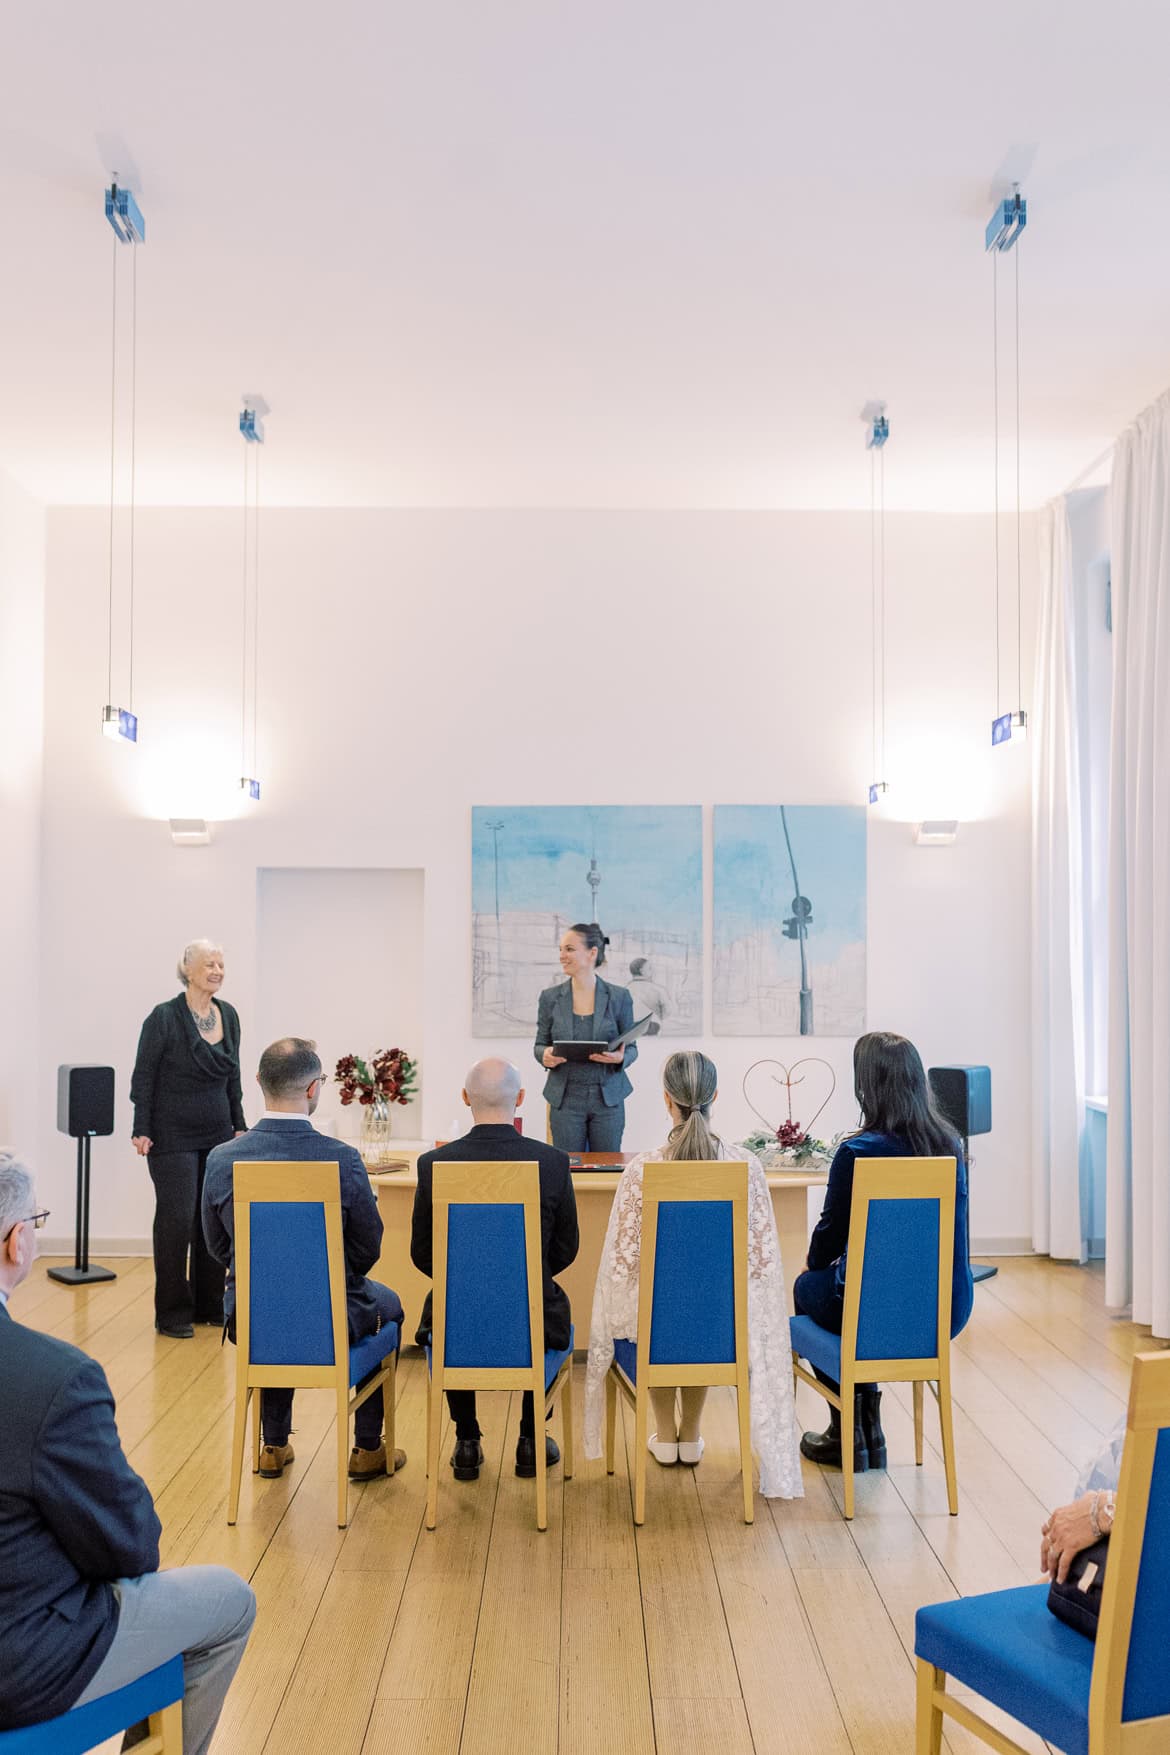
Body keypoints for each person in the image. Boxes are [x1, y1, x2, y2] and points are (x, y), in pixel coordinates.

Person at [0, 1151, 255, 1749]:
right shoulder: (54, 1379)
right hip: (19, 1664)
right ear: (16, 1243)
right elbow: (129, 1544)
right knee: (228, 1602)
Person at [584, 1051, 803, 1499]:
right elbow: (761, 1266)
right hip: (720, 1334)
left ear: (667, 1100)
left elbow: (620, 1271)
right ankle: (692, 1430)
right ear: (715, 1095)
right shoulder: (746, 1168)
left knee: (654, 1309)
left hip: (658, 1335)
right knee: (708, 1305)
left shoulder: (642, 1170)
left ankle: (666, 1436)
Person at [202, 1038, 406, 1483]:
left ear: (258, 1082)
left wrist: (270, 1274)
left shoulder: (222, 1159)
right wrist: (326, 1277)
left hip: (250, 1316)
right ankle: (368, 1448)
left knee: (272, 1305)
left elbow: (218, 1246)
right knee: (389, 1306)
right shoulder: (342, 1159)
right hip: (332, 1311)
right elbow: (367, 1247)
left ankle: (272, 1444)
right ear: (315, 1088)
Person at [793, 1030, 975, 1474]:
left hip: (870, 1311)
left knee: (809, 1288)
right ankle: (868, 1431)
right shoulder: (949, 1145)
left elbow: (828, 1241)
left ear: (866, 1087)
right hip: (946, 1308)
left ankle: (848, 1431)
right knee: (861, 1299)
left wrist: (813, 1266)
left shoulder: (857, 1151)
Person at [412, 1058, 579, 1481]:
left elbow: (421, 1253)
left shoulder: (434, 1165)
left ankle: (467, 1440)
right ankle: (529, 1437)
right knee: (545, 1312)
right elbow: (566, 1248)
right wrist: (523, 1278)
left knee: (455, 1311)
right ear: (521, 1100)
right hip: (533, 1315)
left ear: (465, 1098)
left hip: (457, 1318)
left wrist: (468, 1279)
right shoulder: (553, 1162)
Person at [130, 940, 246, 1338]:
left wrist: (239, 1125)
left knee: (211, 1218)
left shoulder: (227, 1015)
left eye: (220, 964)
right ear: (188, 970)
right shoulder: (162, 1017)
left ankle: (210, 1304)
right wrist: (141, 1127)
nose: (217, 970)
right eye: (209, 964)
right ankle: (172, 1312)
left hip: (217, 1132)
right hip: (170, 1133)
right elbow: (143, 1076)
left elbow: (234, 1076)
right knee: (177, 1219)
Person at [534, 922, 638, 1152]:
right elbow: (539, 1045)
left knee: (607, 1168)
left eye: (569, 949)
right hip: (565, 1098)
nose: (562, 956)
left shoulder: (620, 997)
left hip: (607, 1098)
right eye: (560, 949)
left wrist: (620, 1059)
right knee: (567, 1170)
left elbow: (632, 1049)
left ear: (592, 953)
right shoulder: (550, 998)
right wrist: (545, 1055)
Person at [626, 956, 669, 1034]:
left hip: (629, 1028)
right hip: (652, 1026)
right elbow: (667, 1011)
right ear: (642, 971)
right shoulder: (658, 990)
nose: (653, 971)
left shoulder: (625, 989)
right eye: (649, 968)